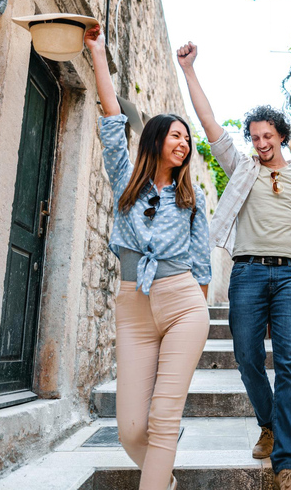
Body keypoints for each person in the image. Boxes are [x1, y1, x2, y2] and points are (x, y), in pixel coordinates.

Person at [176, 42, 291, 490]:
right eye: (255, 137)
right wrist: (188, 72)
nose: (261, 144)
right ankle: (267, 421)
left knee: (290, 363)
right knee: (246, 356)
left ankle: (287, 463)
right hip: (247, 272)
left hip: (290, 278)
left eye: (268, 136)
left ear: (281, 134)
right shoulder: (241, 168)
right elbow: (209, 124)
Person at [85, 26, 211, 490]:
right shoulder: (126, 179)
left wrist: (195, 311)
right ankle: (167, 481)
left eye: (187, 139)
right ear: (156, 137)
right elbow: (112, 118)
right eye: (176, 135)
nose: (183, 143)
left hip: (182, 302)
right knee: (130, 429)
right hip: (133, 305)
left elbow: (201, 268)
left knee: (162, 419)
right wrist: (98, 51)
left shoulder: (191, 201)